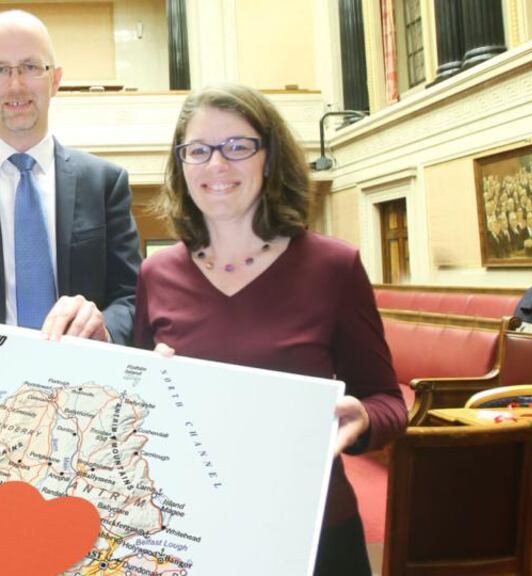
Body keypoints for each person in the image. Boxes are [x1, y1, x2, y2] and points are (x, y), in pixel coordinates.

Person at [133, 85, 407, 576]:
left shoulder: (334, 266)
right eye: (198, 150)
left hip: (314, 531)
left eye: (238, 146)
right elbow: (135, 407)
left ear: (269, 157)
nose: (217, 165)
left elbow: (389, 401)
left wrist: (362, 418)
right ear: (182, 165)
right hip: (192, 533)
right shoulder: (156, 274)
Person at [0, 10, 141, 344]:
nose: (16, 85)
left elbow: (130, 296)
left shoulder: (105, 182)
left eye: (31, 67)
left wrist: (104, 329)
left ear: (55, 79)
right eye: (0, 70)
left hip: (82, 375)